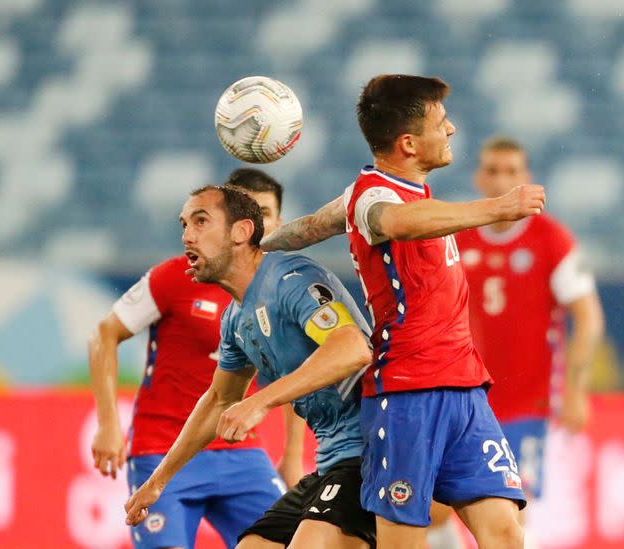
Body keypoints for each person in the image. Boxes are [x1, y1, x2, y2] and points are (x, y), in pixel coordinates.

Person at [262, 74, 546, 549]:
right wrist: (498, 208)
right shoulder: (375, 196)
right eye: (441, 121)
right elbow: (396, 222)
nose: (451, 129)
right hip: (408, 395)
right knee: (403, 543)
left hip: (464, 390)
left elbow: (310, 227)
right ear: (410, 143)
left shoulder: (390, 194)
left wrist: (263, 243)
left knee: (505, 533)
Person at [125, 185, 377, 549]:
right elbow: (218, 400)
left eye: (200, 221)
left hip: (376, 451)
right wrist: (158, 481)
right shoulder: (234, 320)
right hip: (334, 461)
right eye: (183, 225)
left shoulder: (291, 278)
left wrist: (259, 402)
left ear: (242, 231)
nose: (186, 236)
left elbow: (352, 347)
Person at [89, 169, 305, 549]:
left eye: (266, 214)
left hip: (241, 453)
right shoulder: (175, 277)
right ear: (235, 225)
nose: (259, 224)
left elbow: (294, 375)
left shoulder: (279, 291)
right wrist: (108, 424)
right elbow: (105, 334)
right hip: (161, 447)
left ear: (278, 222)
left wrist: (291, 456)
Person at [450, 137, 604, 545]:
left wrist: (576, 390)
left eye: (511, 171)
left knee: (515, 513)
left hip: (525, 404)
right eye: (493, 170)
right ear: (479, 177)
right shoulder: (458, 237)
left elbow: (587, 316)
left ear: (527, 178)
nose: (502, 179)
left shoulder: (550, 239)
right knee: (433, 510)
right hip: (464, 401)